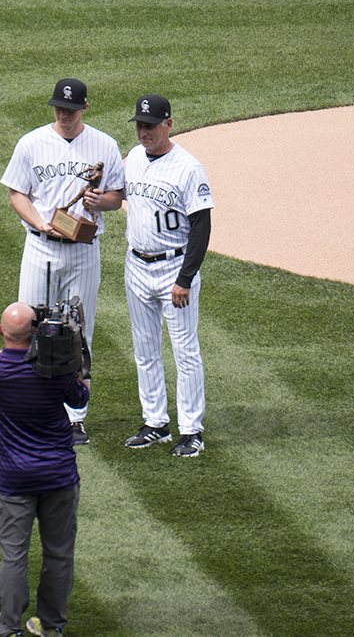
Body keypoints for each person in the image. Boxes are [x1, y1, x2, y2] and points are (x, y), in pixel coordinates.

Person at [0, 77, 125, 445]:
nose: (64, 114)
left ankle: (75, 418)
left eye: (71, 110)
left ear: (85, 108)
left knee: (78, 332)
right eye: (59, 108)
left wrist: (100, 202)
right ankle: (29, 408)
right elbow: (16, 194)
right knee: (29, 325)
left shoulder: (105, 144)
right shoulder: (31, 142)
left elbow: (117, 197)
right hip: (40, 247)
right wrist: (39, 222)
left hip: (84, 251)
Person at [0, 302, 89, 637]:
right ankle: (51, 626)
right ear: (36, 332)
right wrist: (71, 355)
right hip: (59, 477)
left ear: (0, 332)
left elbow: (2, 354)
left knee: (13, 556)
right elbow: (80, 398)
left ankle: (8, 627)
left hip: (15, 480)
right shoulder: (53, 374)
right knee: (59, 555)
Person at [117, 94, 214, 457]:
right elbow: (122, 199)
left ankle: (191, 431)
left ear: (168, 125)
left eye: (151, 126)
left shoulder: (188, 168)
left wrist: (185, 279)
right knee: (144, 349)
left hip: (174, 268)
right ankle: (155, 423)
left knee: (185, 351)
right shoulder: (135, 159)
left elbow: (201, 226)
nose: (144, 132)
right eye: (140, 125)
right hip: (137, 266)